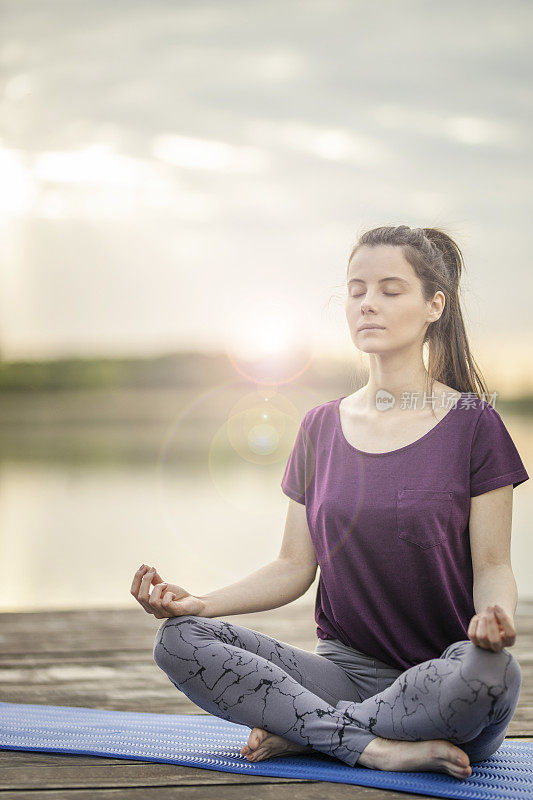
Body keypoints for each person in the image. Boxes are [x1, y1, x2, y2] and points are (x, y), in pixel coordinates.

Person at [131, 225, 528, 780]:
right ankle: (375, 748)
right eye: (356, 289)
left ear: (435, 305)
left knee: (493, 674)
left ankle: (310, 732)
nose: (368, 303)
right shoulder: (319, 427)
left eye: (391, 290)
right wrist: (201, 603)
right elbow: (294, 567)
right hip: (343, 672)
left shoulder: (474, 423)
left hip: (445, 674)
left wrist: (496, 618)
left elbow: (493, 566)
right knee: (179, 640)